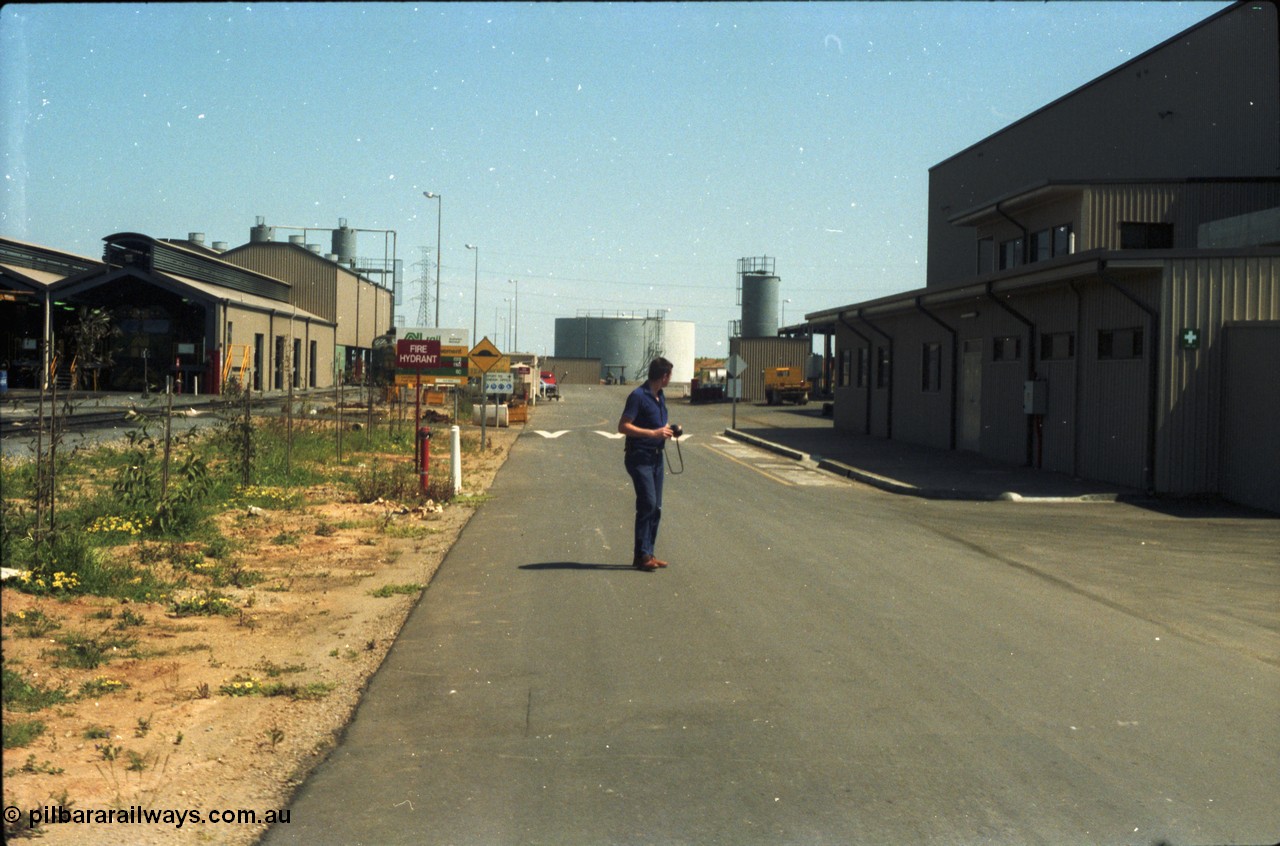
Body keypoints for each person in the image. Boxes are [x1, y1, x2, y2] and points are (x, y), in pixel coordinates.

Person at [617, 357, 676, 571]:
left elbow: (660, 423)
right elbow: (623, 426)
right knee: (648, 503)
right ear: (663, 376)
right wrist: (653, 433)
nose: (670, 378)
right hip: (639, 456)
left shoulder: (660, 396)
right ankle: (642, 555)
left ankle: (646, 554)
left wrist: (668, 430)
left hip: (656, 457)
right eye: (670, 375)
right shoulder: (638, 396)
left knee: (656, 506)